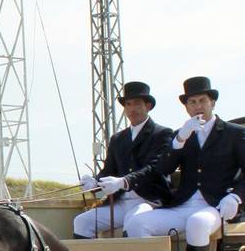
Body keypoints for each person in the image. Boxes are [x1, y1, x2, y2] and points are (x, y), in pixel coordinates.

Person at [96, 76, 245, 251]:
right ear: (186, 107)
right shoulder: (183, 134)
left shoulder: (234, 133)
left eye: (201, 101)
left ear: (212, 102)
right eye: (192, 103)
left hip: (216, 205)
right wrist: (180, 141)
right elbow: (163, 168)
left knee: (197, 223)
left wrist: (236, 197)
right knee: (137, 223)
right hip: (183, 204)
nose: (197, 107)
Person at [73, 81, 173, 239]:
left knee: (133, 221)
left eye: (137, 104)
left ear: (148, 106)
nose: (132, 109)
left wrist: (123, 182)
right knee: (82, 222)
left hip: (148, 200)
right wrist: (94, 181)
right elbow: (109, 171)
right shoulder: (118, 139)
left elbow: (154, 169)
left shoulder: (162, 134)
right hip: (121, 201)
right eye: (128, 104)